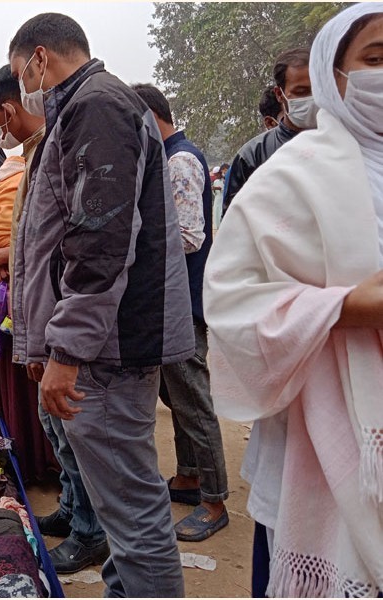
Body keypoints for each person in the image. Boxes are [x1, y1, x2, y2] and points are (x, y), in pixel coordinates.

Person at [9, 13, 195, 596]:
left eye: (21, 74)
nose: (23, 87)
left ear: (40, 58)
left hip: (108, 348)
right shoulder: (82, 107)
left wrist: (67, 349)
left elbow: (100, 240)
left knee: (133, 513)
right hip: (105, 342)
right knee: (121, 508)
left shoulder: (97, 105)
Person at [207, 5, 383, 595]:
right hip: (318, 434)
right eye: (377, 58)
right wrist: (345, 308)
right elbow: (232, 300)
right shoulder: (290, 176)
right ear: (337, 75)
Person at [0, 64, 105, 571]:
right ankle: (73, 509)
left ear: (9, 108)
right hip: (39, 313)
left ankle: (91, 531)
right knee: (56, 428)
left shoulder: (56, 148)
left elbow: (62, 242)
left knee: (75, 431)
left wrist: (6, 257)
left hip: (59, 314)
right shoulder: (32, 155)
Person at [133, 83, 230, 542]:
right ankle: (189, 477)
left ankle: (214, 500)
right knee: (176, 395)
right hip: (171, 300)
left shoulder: (180, 162)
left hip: (183, 301)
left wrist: (136, 244)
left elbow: (189, 236)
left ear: (151, 118)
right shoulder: (167, 160)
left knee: (192, 400)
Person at [222, 47, 315, 214]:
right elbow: (234, 222)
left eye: (317, 90)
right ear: (279, 94)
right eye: (301, 92)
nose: (311, 99)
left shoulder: (344, 144)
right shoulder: (251, 157)